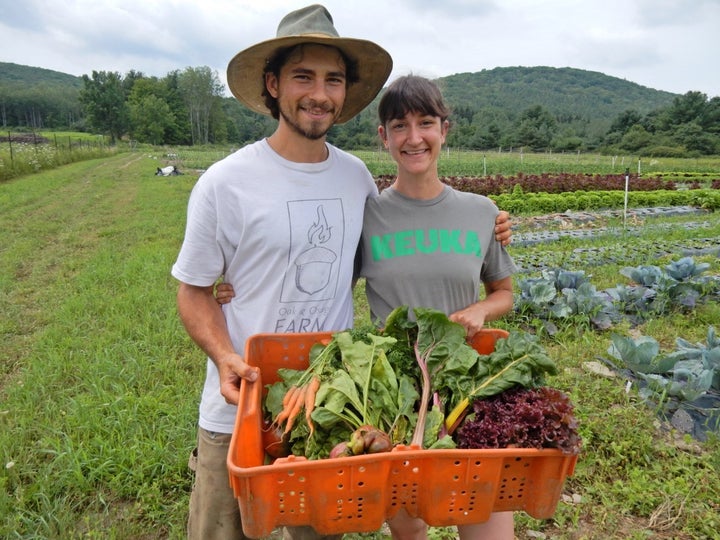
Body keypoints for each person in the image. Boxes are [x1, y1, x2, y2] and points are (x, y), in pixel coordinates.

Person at [174, 4, 511, 540]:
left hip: (329, 404)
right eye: (303, 76)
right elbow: (192, 292)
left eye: (333, 79)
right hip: (241, 404)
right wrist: (224, 355)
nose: (319, 92)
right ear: (272, 84)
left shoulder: (355, 179)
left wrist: (489, 228)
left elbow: (385, 253)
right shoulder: (224, 182)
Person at [360, 75, 517, 540]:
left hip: (470, 386)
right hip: (398, 395)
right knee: (410, 530)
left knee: (486, 523)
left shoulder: (482, 211)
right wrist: (234, 286)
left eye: (425, 123)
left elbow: (503, 292)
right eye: (399, 125)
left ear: (444, 130)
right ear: (383, 137)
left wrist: (481, 312)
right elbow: (319, 274)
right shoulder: (366, 215)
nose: (414, 137)